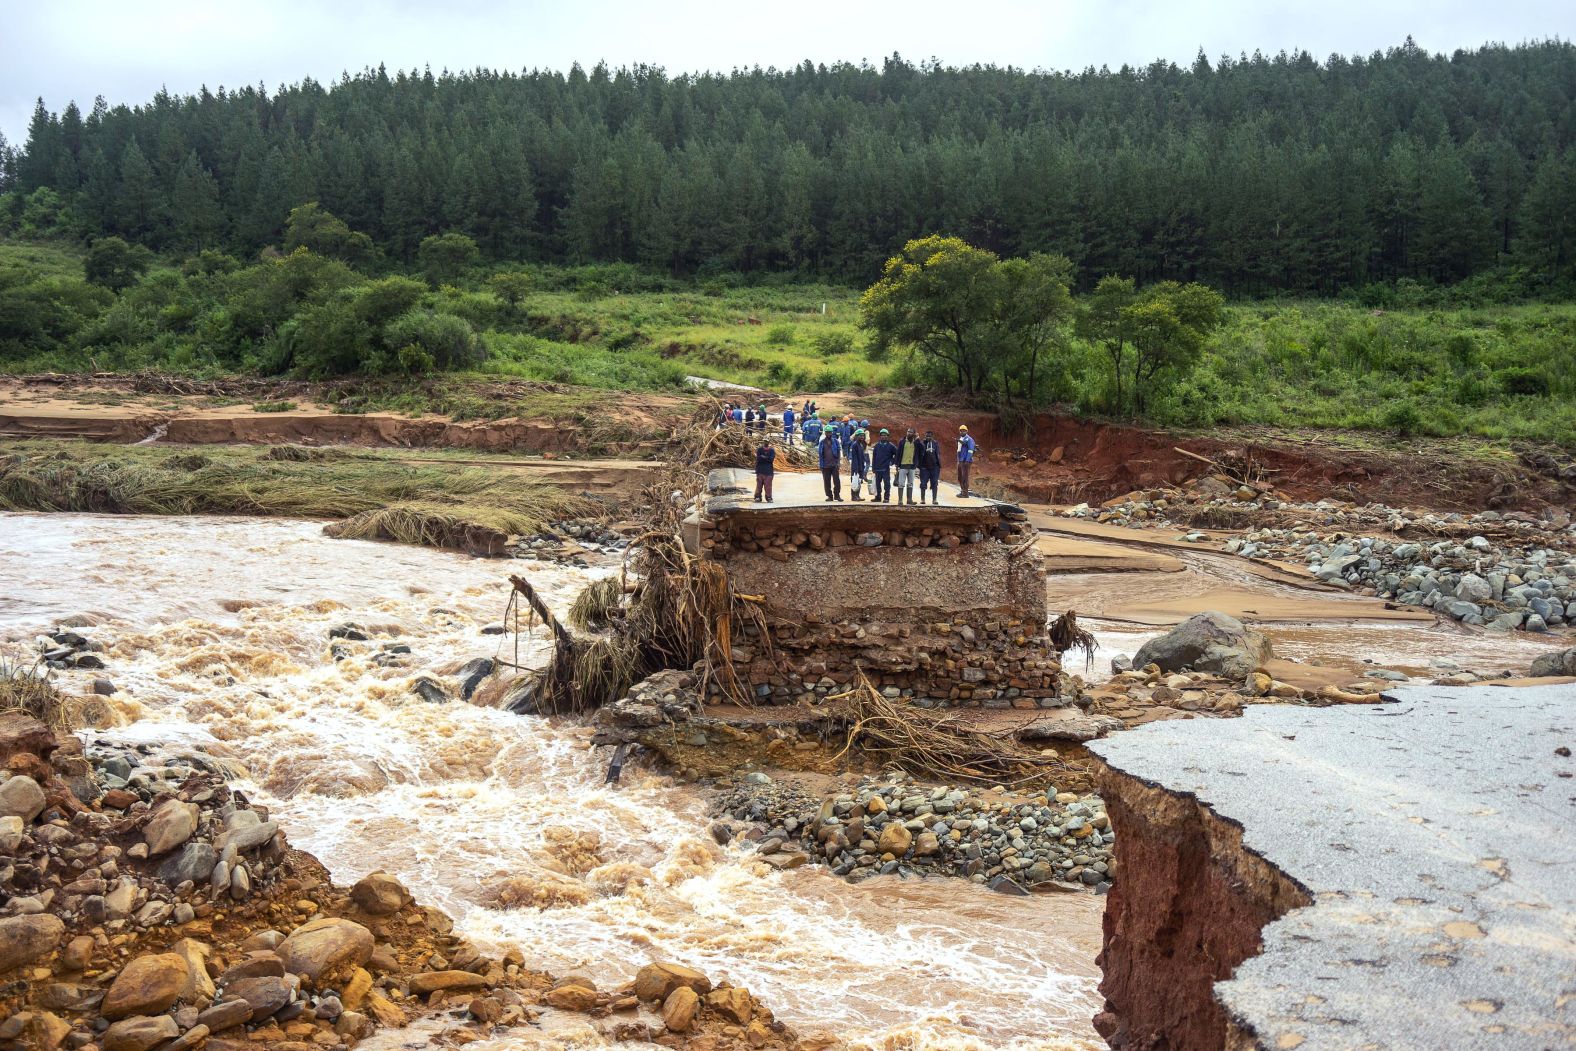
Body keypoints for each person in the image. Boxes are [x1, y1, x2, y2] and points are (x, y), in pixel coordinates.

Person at [917, 428, 943, 504]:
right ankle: (922, 499)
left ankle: (934, 499)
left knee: (935, 483)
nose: (928, 438)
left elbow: (938, 454)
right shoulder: (922, 444)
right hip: (924, 468)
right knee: (923, 483)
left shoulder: (935, 444)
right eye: (927, 436)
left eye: (930, 436)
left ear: (932, 436)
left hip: (934, 468)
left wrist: (938, 466)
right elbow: (918, 453)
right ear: (925, 436)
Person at [871, 428, 897, 503]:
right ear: (880, 436)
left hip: (885, 469)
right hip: (877, 468)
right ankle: (878, 497)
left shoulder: (891, 446)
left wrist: (891, 462)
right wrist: (873, 467)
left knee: (887, 484)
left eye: (885, 435)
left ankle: (886, 498)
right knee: (877, 484)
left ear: (887, 436)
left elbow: (897, 454)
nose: (883, 437)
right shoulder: (877, 446)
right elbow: (874, 457)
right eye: (882, 435)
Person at [895, 427, 919, 505]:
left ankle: (909, 500)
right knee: (901, 483)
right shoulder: (902, 442)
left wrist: (918, 439)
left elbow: (922, 449)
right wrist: (897, 465)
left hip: (912, 466)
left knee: (910, 483)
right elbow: (898, 453)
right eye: (908, 431)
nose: (909, 433)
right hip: (903, 465)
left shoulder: (916, 442)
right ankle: (900, 500)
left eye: (911, 432)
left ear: (914, 434)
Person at [818, 426, 843, 501]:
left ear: (832, 433)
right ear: (825, 433)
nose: (828, 434)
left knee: (837, 482)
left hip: (834, 465)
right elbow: (820, 455)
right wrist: (821, 465)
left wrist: (838, 462)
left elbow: (838, 453)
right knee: (827, 482)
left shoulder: (835, 441)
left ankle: (837, 495)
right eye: (827, 432)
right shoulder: (822, 442)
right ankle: (829, 496)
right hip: (825, 466)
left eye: (830, 432)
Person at [956, 424, 977, 499]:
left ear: (966, 431)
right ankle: (962, 491)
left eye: (964, 430)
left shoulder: (969, 439)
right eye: (961, 431)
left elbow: (970, 450)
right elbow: (959, 450)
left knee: (965, 477)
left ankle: (965, 493)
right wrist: (958, 460)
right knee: (960, 477)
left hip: (965, 461)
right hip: (960, 460)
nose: (962, 432)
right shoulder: (961, 439)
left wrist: (967, 460)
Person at [848, 428, 869, 501]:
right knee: (855, 481)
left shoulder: (861, 445)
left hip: (860, 466)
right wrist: (856, 469)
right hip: (856, 467)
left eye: (863, 436)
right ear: (856, 436)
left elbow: (862, 457)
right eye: (860, 436)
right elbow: (855, 458)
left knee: (859, 481)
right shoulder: (855, 445)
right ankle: (854, 496)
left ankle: (857, 496)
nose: (862, 437)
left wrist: (862, 467)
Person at [754, 438, 776, 502]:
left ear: (768, 442)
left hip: (768, 470)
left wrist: (763, 457)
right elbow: (758, 459)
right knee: (759, 485)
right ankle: (757, 497)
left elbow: (771, 460)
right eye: (764, 441)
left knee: (768, 485)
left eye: (767, 441)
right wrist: (766, 458)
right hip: (760, 470)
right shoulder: (759, 450)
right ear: (763, 442)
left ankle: (769, 497)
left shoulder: (772, 450)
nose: (765, 442)